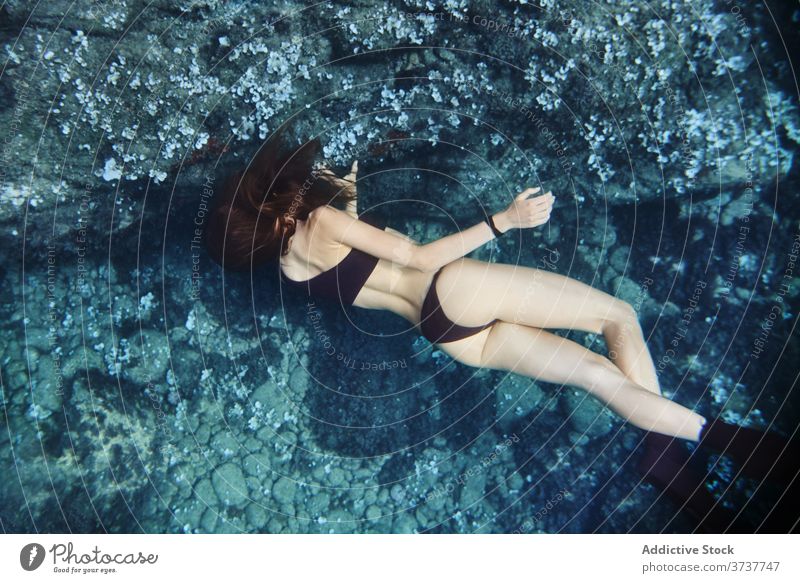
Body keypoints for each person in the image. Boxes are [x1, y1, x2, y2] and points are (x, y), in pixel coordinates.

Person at [205, 125, 797, 532]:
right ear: (273, 202)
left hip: (448, 337)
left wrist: (350, 199)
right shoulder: (325, 218)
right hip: (455, 288)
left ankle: (667, 461)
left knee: (595, 375)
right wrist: (502, 221)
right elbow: (416, 259)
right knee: (618, 316)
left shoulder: (290, 268)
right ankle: (731, 441)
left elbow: (353, 267)